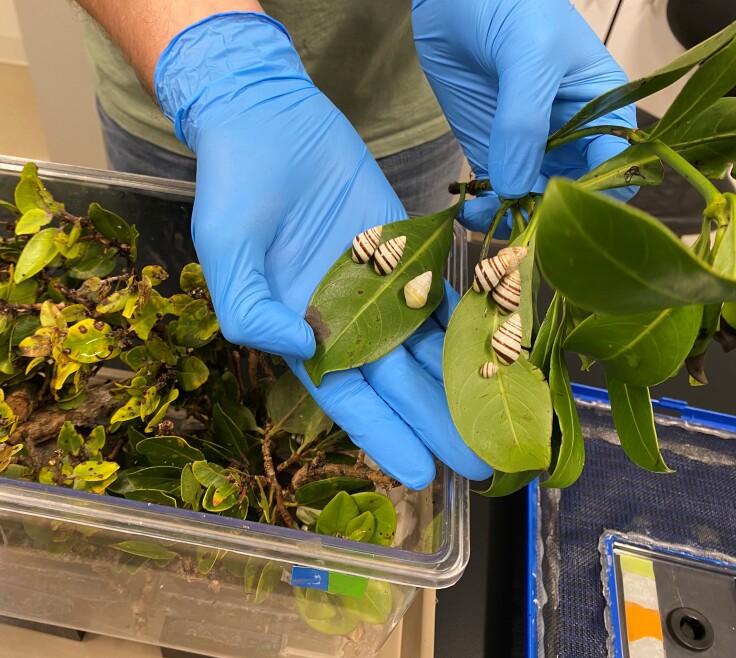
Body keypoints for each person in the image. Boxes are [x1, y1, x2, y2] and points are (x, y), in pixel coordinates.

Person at [74, 0, 636, 489]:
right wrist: (214, 60)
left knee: (366, 373)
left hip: (405, 98)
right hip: (169, 66)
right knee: (183, 323)